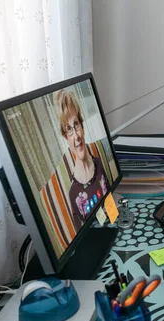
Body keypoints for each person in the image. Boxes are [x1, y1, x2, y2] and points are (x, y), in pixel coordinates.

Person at [55, 89, 109, 231]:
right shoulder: (74, 192)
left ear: (83, 126)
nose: (76, 136)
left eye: (76, 125)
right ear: (65, 137)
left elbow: (111, 204)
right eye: (69, 129)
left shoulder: (99, 163)